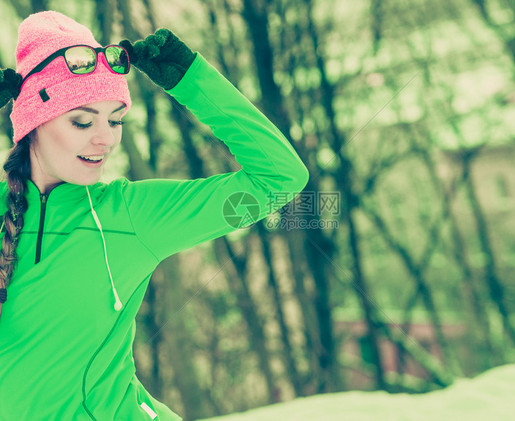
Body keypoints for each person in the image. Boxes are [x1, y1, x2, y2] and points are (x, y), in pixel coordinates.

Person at [0, 10, 308, 421]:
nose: (105, 138)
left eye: (116, 120)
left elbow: (279, 179)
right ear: (33, 123)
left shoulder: (130, 216)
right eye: (81, 121)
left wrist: (192, 81)